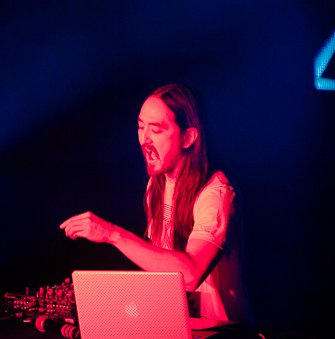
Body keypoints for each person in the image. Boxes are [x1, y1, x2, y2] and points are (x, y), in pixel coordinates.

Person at [60, 84, 253, 324]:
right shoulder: (157, 185)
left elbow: (190, 275)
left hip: (224, 337)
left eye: (156, 130)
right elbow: (162, 270)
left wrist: (112, 234)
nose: (144, 140)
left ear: (188, 137)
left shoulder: (217, 194)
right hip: (177, 330)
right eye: (141, 127)